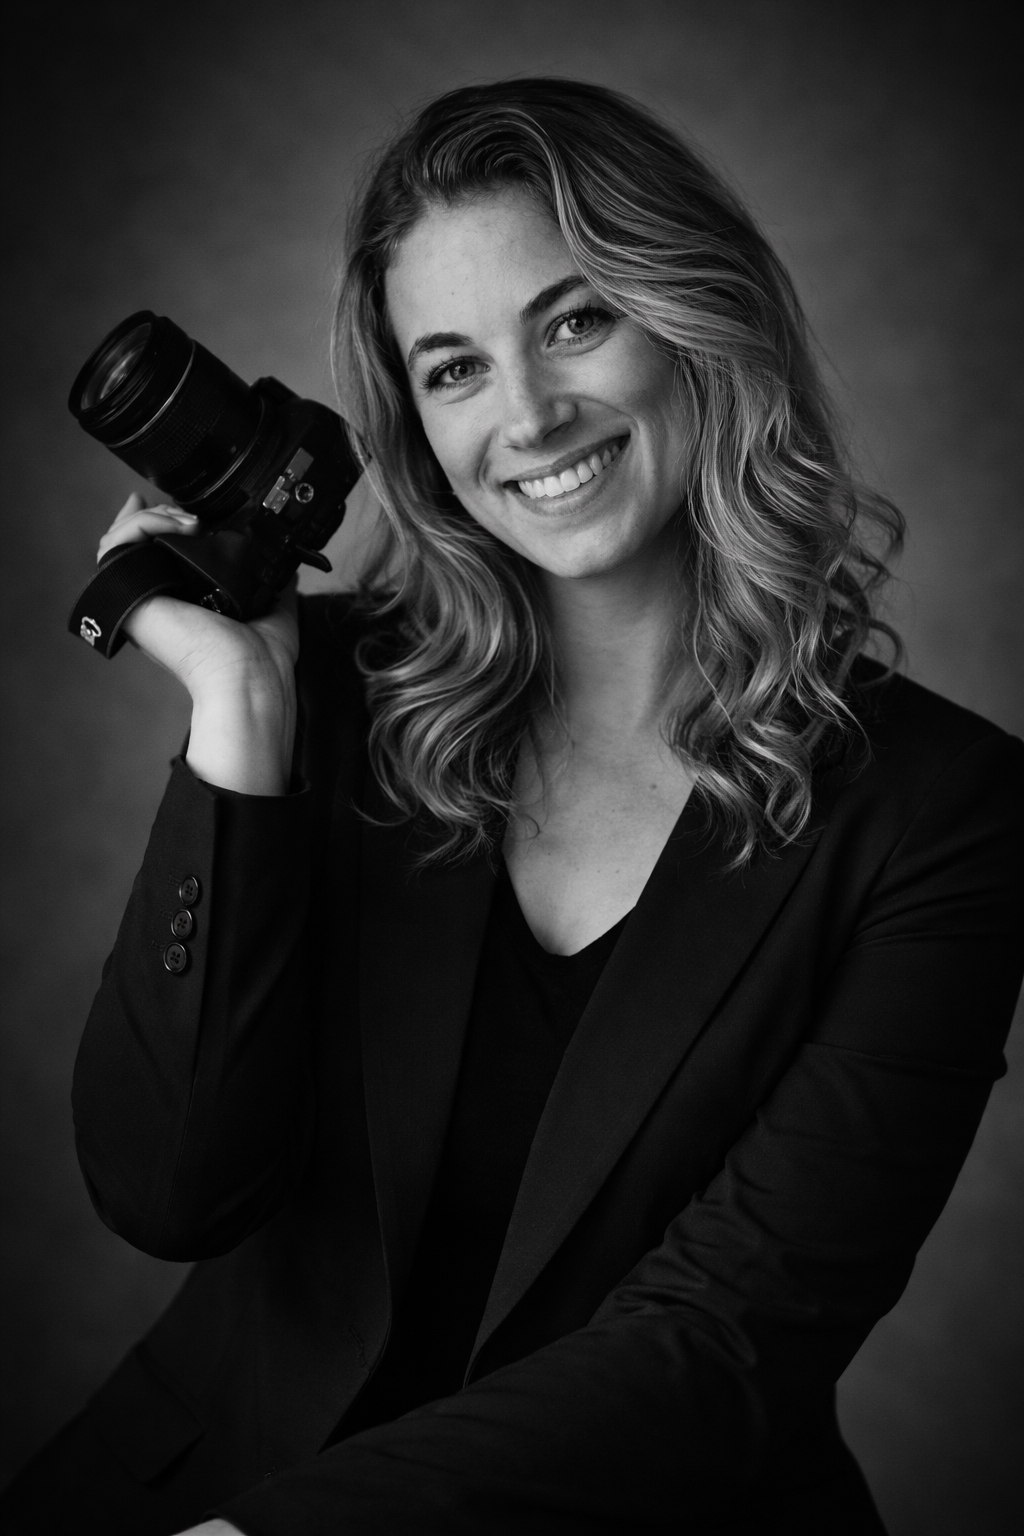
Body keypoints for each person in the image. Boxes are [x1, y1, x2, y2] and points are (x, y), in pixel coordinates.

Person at [3, 77, 1022, 1536]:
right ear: (416, 424)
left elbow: (720, 1346)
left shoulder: (947, 816)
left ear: (694, 319)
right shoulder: (331, 696)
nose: (530, 415)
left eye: (574, 320)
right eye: (455, 367)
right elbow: (170, 1192)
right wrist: (240, 717)